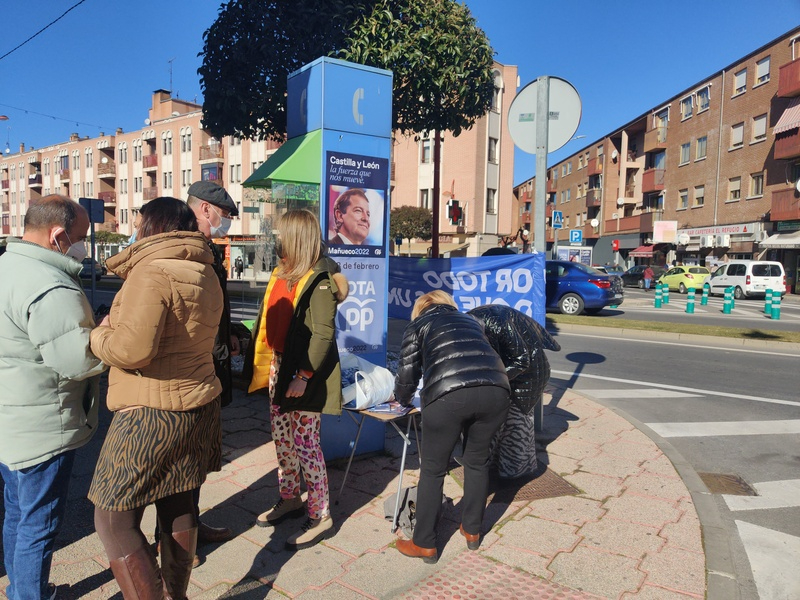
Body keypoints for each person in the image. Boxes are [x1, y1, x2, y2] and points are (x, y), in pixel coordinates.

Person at [88, 197, 223, 598]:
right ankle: (176, 594)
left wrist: (99, 334)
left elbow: (132, 351)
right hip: (198, 405)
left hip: (150, 412)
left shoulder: (151, 271)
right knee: (177, 501)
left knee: (111, 520)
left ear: (151, 226)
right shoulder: (206, 269)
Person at [0, 195, 106, 600]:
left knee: (17, 514)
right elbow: (77, 362)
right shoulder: (50, 283)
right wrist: (105, 333)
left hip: (12, 420)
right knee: (39, 523)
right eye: (80, 238)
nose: (83, 247)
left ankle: (20, 589)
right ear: (58, 236)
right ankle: (30, 595)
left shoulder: (8, 264)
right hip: (43, 427)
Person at [244, 209, 348, 550]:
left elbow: (323, 335)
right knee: (283, 441)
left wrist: (303, 376)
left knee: (306, 444)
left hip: (304, 374)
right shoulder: (282, 273)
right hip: (279, 368)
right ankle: (290, 498)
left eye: (281, 235)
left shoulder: (319, 282)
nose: (276, 241)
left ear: (296, 238)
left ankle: (320, 514)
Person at [393, 291, 510, 563]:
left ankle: (424, 543)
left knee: (433, 470)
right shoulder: (472, 321)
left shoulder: (418, 325)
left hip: (448, 395)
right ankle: (472, 530)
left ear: (420, 308)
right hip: (496, 390)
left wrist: (401, 400)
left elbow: (408, 372)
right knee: (477, 462)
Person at [180, 180, 241, 554]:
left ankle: (192, 525)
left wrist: (230, 331)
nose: (227, 222)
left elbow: (211, 306)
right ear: (205, 209)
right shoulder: (184, 249)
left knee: (198, 459)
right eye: (225, 215)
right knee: (185, 460)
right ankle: (174, 540)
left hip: (210, 363)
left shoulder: (206, 249)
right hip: (193, 369)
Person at [468, 305, 561, 479]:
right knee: (497, 416)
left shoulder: (498, 323)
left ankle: (516, 471)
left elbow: (521, 360)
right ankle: (495, 463)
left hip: (529, 373)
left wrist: (493, 379)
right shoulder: (472, 324)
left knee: (516, 420)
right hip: (507, 371)